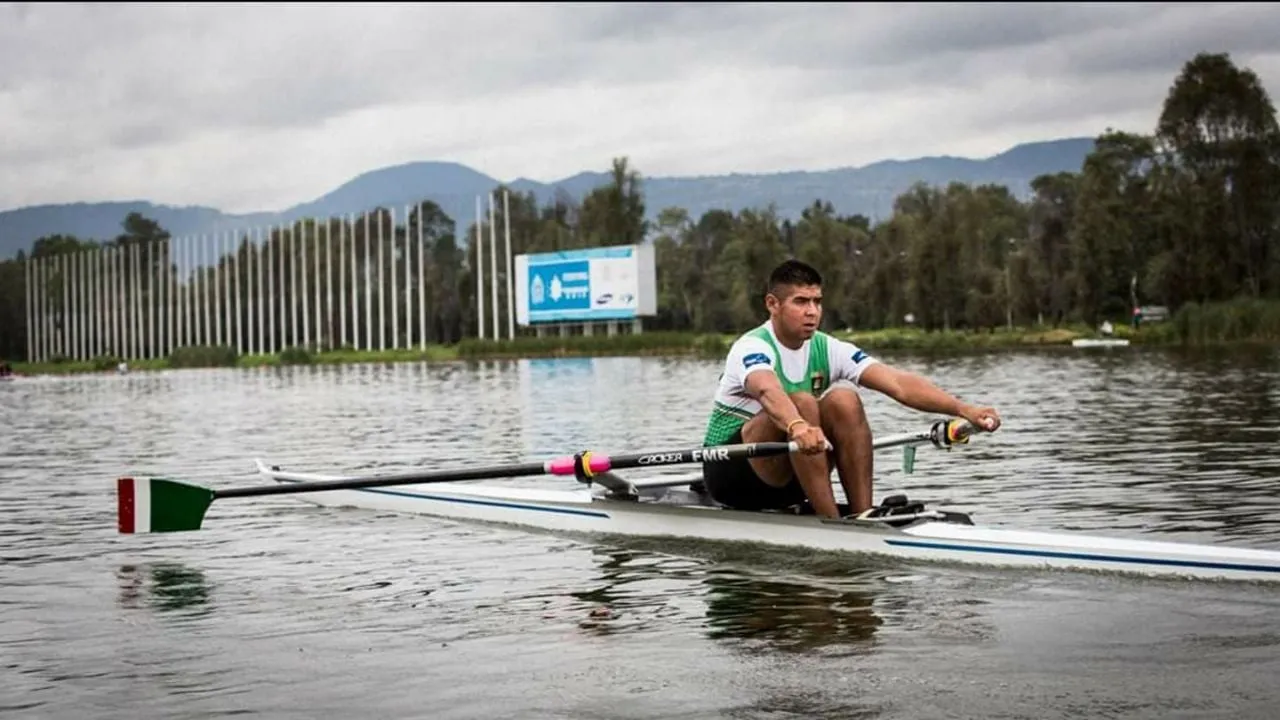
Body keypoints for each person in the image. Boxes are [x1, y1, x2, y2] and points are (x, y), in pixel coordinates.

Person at [699, 259, 1002, 519]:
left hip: (796, 471)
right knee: (803, 402)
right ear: (772, 304)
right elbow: (767, 391)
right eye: (801, 302)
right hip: (732, 475)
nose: (812, 312)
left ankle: (861, 515)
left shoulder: (828, 348)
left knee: (845, 399)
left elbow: (898, 383)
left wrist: (964, 409)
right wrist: (797, 425)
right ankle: (831, 522)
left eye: (817, 301)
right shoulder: (751, 346)